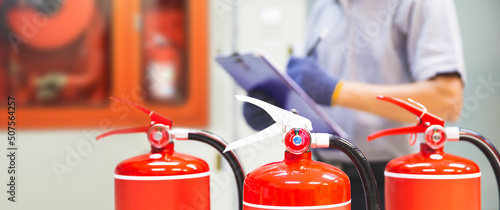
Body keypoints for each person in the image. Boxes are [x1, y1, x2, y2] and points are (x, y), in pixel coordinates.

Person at [244, 0, 465, 209]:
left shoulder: (418, 4)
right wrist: (280, 104)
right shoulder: (323, 6)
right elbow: (313, 91)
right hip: (322, 177)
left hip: (388, 181)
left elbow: (447, 101)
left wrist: (337, 90)